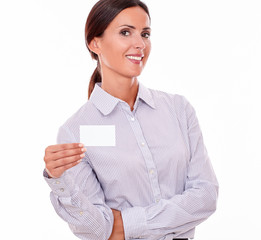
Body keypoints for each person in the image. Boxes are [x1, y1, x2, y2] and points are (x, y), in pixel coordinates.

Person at [43, 0, 219, 239]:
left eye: (145, 34)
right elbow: (97, 229)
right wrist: (58, 180)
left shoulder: (179, 110)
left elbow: (206, 196)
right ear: (95, 43)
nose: (140, 44)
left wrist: (127, 224)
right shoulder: (76, 131)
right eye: (126, 32)